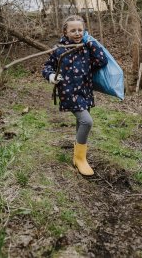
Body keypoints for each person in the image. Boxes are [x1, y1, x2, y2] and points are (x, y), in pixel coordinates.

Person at [42, 15, 107, 176]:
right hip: (69, 92)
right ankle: (79, 158)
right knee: (87, 121)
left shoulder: (86, 47)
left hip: (85, 91)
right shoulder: (59, 49)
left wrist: (92, 43)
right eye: (73, 30)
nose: (77, 33)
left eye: (80, 30)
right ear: (65, 32)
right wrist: (52, 76)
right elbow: (46, 67)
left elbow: (102, 61)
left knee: (81, 122)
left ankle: (78, 154)